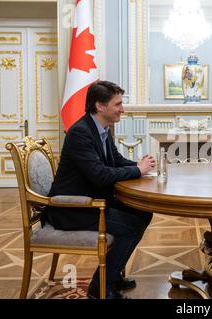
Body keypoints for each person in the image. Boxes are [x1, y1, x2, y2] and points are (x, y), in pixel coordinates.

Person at [45, 81, 156, 299]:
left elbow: (115, 160)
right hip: (72, 209)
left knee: (143, 211)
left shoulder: (102, 129)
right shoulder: (80, 133)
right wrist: (137, 170)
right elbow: (100, 175)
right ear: (100, 106)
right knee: (132, 227)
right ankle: (100, 286)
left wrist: (139, 166)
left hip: (94, 201)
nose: (122, 109)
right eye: (118, 104)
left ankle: (112, 273)